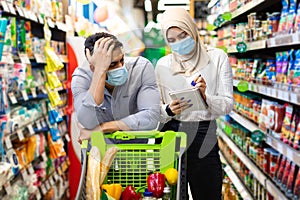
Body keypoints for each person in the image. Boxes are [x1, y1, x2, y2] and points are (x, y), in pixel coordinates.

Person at [155, 8, 233, 200]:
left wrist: (205, 97)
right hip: (170, 134)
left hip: (202, 134)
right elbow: (155, 110)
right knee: (170, 195)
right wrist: (168, 110)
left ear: (192, 29)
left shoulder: (217, 58)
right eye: (172, 40)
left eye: (183, 35)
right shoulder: (163, 65)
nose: (179, 43)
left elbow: (227, 105)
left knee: (207, 193)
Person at [71, 32, 160, 141]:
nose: (120, 67)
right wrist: (100, 71)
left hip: (136, 150)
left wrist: (103, 128)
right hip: (99, 152)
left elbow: (151, 117)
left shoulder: (141, 68)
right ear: (92, 68)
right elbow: (87, 121)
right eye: (112, 64)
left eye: (122, 60)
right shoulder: (82, 77)